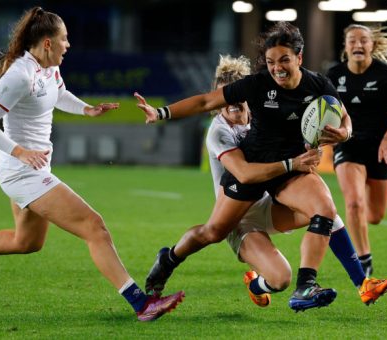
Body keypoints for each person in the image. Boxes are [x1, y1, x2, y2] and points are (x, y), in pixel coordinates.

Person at [0, 7, 183, 322]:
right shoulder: (20, 74)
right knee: (95, 227)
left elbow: (59, 94)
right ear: (48, 42)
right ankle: (141, 304)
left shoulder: (49, 69)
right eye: (64, 39)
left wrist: (86, 110)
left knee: (26, 242)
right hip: (22, 172)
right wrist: (20, 151)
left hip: (33, 169)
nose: (69, 45)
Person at [135, 22, 356, 311]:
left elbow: (342, 115)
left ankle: (309, 285)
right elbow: (207, 108)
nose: (277, 68)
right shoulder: (232, 115)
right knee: (212, 233)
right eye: (270, 62)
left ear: (299, 58)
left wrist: (344, 132)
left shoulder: (304, 91)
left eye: (284, 60)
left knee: (325, 210)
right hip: (246, 192)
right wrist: (160, 112)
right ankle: (169, 259)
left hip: (276, 187)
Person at [208, 54, 387, 308]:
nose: (235, 103)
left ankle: (362, 284)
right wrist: (292, 164)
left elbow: (291, 138)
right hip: (238, 217)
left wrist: (311, 148)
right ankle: (256, 283)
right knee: (279, 278)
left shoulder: (263, 118)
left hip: (267, 205)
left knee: (326, 211)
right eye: (228, 98)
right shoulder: (219, 131)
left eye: (239, 96)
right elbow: (245, 174)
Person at [326, 24, 387, 276]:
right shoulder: (333, 76)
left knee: (374, 216)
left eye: (364, 40)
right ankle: (364, 258)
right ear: (346, 45)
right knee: (353, 204)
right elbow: (322, 109)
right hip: (348, 145)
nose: (358, 45)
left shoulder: (385, 74)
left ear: (372, 45)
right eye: (352, 40)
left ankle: (363, 215)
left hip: (379, 149)